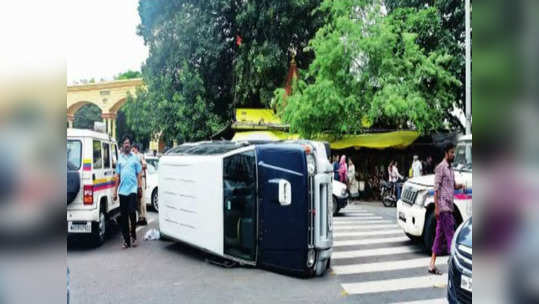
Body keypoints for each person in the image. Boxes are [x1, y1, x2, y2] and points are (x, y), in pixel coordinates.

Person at [428, 143, 466, 275]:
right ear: (446, 153)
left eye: (454, 152)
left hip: (449, 207)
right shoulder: (441, 168)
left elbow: (452, 185)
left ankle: (431, 265)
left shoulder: (451, 169)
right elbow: (436, 189)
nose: (453, 155)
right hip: (443, 208)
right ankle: (454, 266)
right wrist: (437, 208)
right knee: (451, 235)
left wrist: (460, 185)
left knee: (439, 237)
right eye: (451, 152)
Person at [113, 135, 142, 249]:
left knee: (131, 212)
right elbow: (117, 176)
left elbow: (139, 173)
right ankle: (126, 240)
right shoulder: (119, 158)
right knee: (124, 217)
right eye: (125, 143)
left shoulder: (135, 157)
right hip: (122, 191)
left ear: (130, 145)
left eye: (128, 143)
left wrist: (139, 187)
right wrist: (115, 192)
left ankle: (133, 236)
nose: (127, 145)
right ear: (122, 145)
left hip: (132, 190)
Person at [132, 144, 148, 226]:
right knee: (137, 200)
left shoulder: (140, 156)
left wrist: (139, 167)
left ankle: (143, 217)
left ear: (137, 150)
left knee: (142, 200)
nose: (132, 151)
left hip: (141, 179)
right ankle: (140, 217)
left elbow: (145, 165)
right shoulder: (133, 157)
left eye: (133, 150)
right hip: (136, 180)